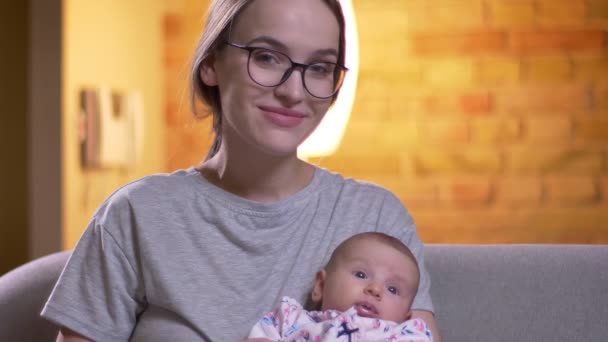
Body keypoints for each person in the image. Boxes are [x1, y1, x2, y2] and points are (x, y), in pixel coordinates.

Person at [41, 0, 441, 341]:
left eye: (319, 68)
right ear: (211, 63)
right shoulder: (136, 214)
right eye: (267, 57)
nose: (294, 91)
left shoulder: (376, 217)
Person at [248, 232, 432, 341]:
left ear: (405, 317)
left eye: (393, 289)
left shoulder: (405, 334)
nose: (375, 289)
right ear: (320, 286)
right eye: (361, 274)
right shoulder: (290, 318)